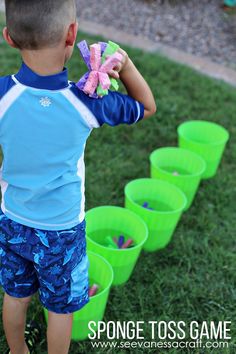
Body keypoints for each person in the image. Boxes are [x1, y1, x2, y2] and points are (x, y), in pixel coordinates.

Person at [0, 0, 156, 353]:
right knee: (59, 309)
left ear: (9, 37)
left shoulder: (3, 95)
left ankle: (17, 350)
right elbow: (147, 107)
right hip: (61, 229)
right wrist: (125, 63)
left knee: (15, 294)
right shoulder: (87, 102)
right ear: (72, 34)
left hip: (11, 219)